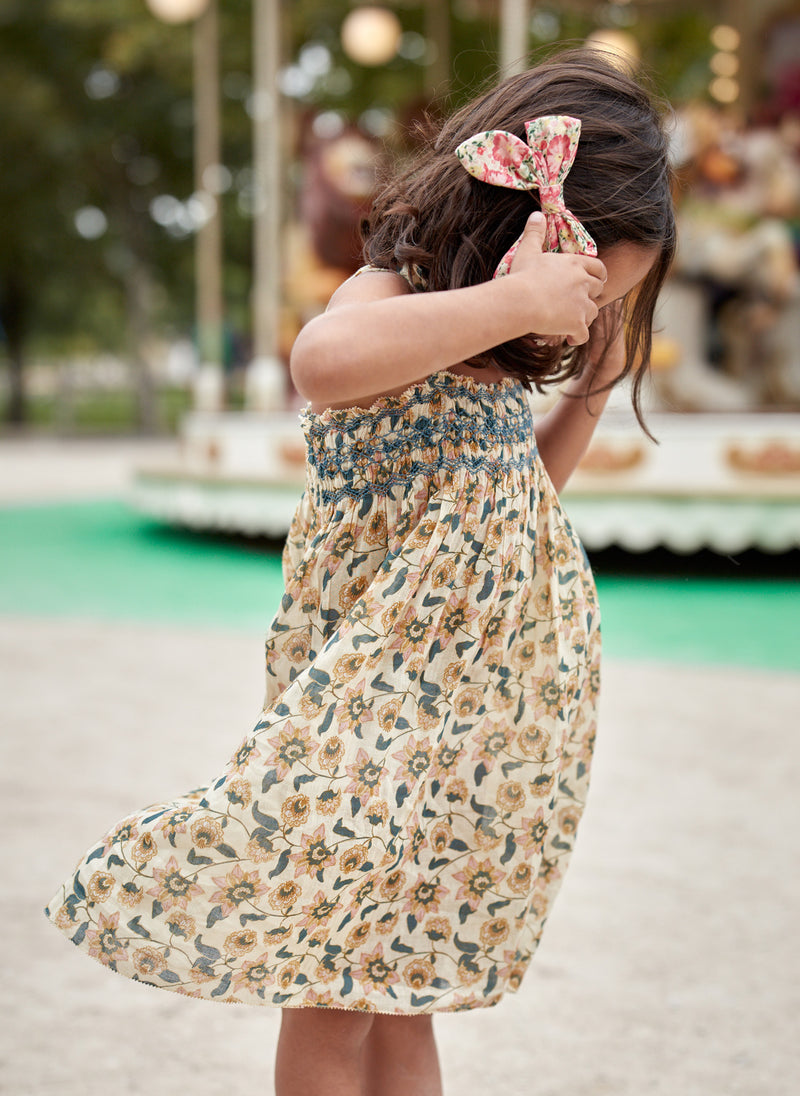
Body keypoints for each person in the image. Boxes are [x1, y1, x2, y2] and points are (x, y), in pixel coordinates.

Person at [46, 49, 675, 1096]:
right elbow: (321, 362)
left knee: (403, 985)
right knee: (334, 978)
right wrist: (512, 307)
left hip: (467, 711)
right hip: (375, 695)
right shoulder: (403, 299)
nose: (581, 317)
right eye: (592, 288)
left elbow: (516, 496)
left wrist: (591, 392)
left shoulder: (476, 342)